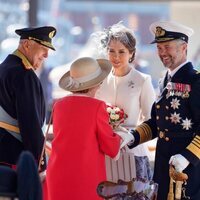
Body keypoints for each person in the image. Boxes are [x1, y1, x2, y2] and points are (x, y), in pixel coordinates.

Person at [128, 20, 200, 200]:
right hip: (163, 165)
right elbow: (156, 122)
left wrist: (187, 156)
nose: (162, 53)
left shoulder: (195, 81)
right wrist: (132, 137)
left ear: (183, 48)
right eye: (159, 48)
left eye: (167, 47)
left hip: (187, 169)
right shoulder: (165, 81)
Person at [43, 57, 133, 200]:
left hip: (57, 174)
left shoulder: (59, 105)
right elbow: (110, 146)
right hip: (85, 176)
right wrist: (125, 135)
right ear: (95, 84)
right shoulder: (97, 107)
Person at [94, 22, 155, 181]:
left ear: (131, 53)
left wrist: (130, 137)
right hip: (103, 149)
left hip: (132, 148)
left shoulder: (143, 80)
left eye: (122, 51)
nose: (116, 57)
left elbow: (151, 120)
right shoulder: (99, 80)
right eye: (111, 51)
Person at [0, 26, 56, 172]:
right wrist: (40, 162)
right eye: (43, 48)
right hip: (15, 157)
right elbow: (30, 124)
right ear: (26, 45)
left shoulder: (4, 68)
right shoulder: (24, 75)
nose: (46, 55)